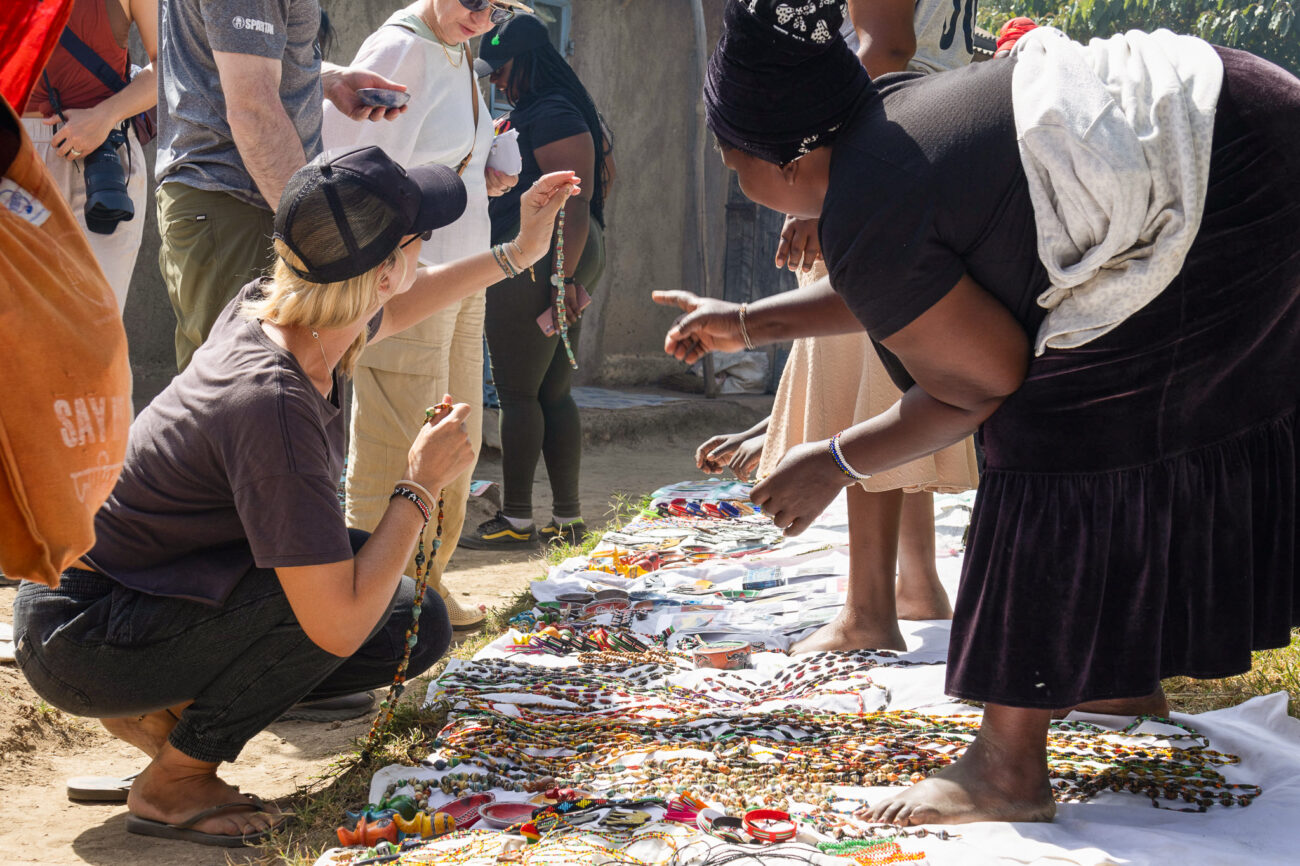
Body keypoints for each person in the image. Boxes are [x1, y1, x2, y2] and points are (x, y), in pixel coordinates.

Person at [660, 0, 1300, 826]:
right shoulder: (883, 121)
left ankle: (1007, 767)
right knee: (1133, 421)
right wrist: (751, 321)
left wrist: (833, 461)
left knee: (1050, 429)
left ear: (780, 161)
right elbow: (909, 282)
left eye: (728, 157)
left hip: (1229, 175)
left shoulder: (870, 203)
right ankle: (1115, 676)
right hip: (1235, 115)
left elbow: (979, 383)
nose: (730, 174)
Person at [11, 144, 579, 846]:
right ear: (386, 270)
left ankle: (165, 714)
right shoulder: (271, 402)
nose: (420, 264)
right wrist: (419, 485)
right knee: (330, 602)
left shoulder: (294, 311)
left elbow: (405, 304)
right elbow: (335, 624)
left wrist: (517, 253)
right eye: (416, 246)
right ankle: (176, 780)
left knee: (413, 620)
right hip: (83, 635)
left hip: (130, 598)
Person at [696, 2, 977, 653]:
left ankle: (869, 612)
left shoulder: (838, 157)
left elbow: (888, 46)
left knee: (864, 382)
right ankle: (915, 585)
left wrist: (823, 172)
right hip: (907, 144)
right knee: (892, 372)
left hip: (880, 152)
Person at [322, 0, 530, 630]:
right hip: (410, 279)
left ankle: (426, 587)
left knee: (456, 439)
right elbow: (357, 179)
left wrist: (482, 171)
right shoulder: (401, 48)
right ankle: (375, 605)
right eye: (475, 2)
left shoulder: (454, 47)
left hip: (462, 270)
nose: (485, 18)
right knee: (395, 439)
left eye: (501, 8)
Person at [155, 0, 412, 371]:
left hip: (247, 202)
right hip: (239, 201)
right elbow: (252, 108)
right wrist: (323, 241)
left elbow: (238, 59)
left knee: (261, 390)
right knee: (241, 392)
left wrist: (326, 80)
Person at [461, 13, 613, 549]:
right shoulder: (546, 108)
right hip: (556, 256)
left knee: (519, 392)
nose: (498, 81)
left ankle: (517, 519)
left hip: (544, 258)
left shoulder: (551, 113)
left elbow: (574, 202)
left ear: (527, 62)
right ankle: (567, 520)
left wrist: (561, 280)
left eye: (503, 70)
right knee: (551, 390)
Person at [20, 0, 157, 311]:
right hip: (16, 157)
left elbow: (171, 65)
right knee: (18, 335)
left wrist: (104, 116)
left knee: (96, 326)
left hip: (104, 159)